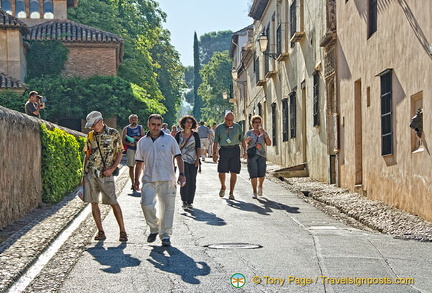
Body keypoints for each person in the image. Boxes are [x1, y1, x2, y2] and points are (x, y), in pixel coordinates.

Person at [134, 114, 186, 247]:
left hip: (167, 178)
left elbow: (178, 156)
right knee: (146, 204)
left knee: (167, 208)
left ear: (161, 126)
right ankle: (154, 227)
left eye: (158, 125)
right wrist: (136, 180)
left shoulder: (169, 139)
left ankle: (165, 235)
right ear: (148, 125)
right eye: (153, 124)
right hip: (148, 179)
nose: (156, 127)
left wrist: (182, 174)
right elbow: (139, 162)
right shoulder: (142, 142)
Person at [82, 111, 127, 242]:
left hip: (105, 174)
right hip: (91, 173)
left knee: (113, 202)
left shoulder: (113, 134)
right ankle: (100, 231)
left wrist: (112, 168)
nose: (91, 127)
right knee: (93, 202)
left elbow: (119, 152)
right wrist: (84, 174)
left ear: (100, 121)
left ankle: (122, 231)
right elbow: (87, 154)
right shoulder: (90, 135)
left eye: (93, 125)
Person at [212, 112, 246, 200]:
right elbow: (215, 141)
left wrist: (245, 151)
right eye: (228, 120)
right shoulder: (219, 128)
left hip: (235, 149)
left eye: (231, 120)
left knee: (234, 172)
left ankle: (231, 192)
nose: (230, 122)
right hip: (224, 150)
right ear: (225, 119)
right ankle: (223, 186)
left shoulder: (237, 127)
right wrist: (214, 154)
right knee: (221, 171)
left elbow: (242, 140)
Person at [174, 115, 201, 209]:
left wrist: (198, 159)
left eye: (191, 122)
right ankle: (184, 200)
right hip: (182, 160)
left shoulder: (195, 135)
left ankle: (190, 201)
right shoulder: (178, 135)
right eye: (187, 122)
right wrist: (173, 160)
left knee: (192, 181)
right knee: (184, 178)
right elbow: (175, 148)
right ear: (183, 123)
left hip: (193, 160)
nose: (189, 124)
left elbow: (198, 148)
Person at [244, 115, 271, 199]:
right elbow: (244, 144)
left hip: (262, 155)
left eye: (259, 122)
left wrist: (265, 135)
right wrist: (247, 141)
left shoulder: (264, 133)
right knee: (253, 174)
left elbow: (269, 143)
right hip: (252, 155)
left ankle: (260, 186)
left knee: (261, 173)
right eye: (256, 122)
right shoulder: (248, 133)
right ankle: (254, 191)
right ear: (252, 123)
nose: (258, 124)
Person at [122, 114, 144, 190]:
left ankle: (137, 180)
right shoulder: (126, 129)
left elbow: (143, 137)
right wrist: (128, 143)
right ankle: (133, 183)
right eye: (132, 119)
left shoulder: (140, 127)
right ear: (129, 120)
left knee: (139, 165)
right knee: (131, 167)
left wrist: (136, 138)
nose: (134, 121)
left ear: (137, 120)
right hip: (130, 148)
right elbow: (123, 140)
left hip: (139, 149)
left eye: (135, 119)